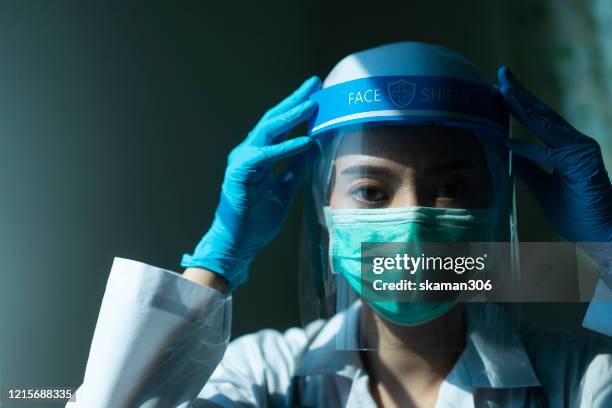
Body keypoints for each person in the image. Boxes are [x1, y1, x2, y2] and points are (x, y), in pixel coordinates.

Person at [68, 42, 612, 407]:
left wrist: (607, 246)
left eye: (449, 188)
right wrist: (215, 262)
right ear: (326, 210)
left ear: (493, 201)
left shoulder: (579, 379)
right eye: (371, 192)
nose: (412, 224)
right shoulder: (267, 376)